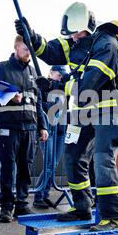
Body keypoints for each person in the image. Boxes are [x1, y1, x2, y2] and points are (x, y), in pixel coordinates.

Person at [15, 2, 118, 231]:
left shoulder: (108, 44)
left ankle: (111, 216)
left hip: (107, 109)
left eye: (75, 34)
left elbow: (89, 83)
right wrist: (30, 35)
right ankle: (82, 206)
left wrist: (55, 85)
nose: (73, 39)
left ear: (87, 28)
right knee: (72, 155)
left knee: (102, 159)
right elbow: (48, 51)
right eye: (70, 35)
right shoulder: (73, 42)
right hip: (83, 110)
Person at [0, 35, 48, 223]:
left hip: (29, 128)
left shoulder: (33, 72)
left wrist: (42, 126)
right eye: (25, 48)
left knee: (25, 167)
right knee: (8, 168)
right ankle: (6, 207)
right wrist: (9, 97)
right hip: (9, 126)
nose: (28, 52)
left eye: (30, 49)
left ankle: (22, 205)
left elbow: (38, 103)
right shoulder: (3, 67)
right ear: (16, 47)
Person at [33, 65, 67, 209]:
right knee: (49, 163)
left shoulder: (65, 88)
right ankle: (38, 196)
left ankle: (44, 195)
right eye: (59, 75)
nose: (61, 78)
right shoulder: (42, 85)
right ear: (51, 73)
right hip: (48, 129)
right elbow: (39, 106)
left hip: (60, 129)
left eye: (62, 76)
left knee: (53, 165)